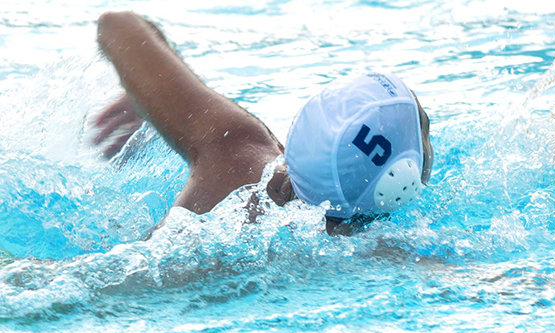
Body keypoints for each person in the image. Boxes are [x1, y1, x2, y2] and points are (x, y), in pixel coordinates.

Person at [93, 11, 434, 235]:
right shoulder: (371, 252)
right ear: (399, 179)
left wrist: (147, 94)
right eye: (425, 127)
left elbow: (117, 25)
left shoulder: (236, 145)